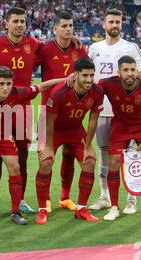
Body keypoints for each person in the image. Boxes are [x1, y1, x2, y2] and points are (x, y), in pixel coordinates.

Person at [0, 66, 67, 225]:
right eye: (1, 83)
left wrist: (66, 79)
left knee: (15, 166)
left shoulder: (18, 92)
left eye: (8, 83)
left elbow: (42, 86)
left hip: (2, 133)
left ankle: (15, 211)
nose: (5, 87)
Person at [88, 9, 141, 214]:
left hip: (127, 113)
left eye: (118, 22)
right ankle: (104, 196)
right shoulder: (94, 48)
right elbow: (89, 77)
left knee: (132, 155)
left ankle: (132, 198)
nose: (115, 25)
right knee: (105, 155)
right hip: (102, 110)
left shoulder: (130, 48)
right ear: (103, 24)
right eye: (111, 21)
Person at [0, 7, 43, 216]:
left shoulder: (33, 44)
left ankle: (20, 200)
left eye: (22, 21)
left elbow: (53, 50)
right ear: (6, 24)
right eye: (15, 21)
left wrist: (72, 39)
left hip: (23, 108)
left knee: (23, 156)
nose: (19, 25)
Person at [36, 58, 103, 224]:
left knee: (89, 161)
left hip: (74, 128)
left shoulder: (97, 92)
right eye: (85, 75)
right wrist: (49, 147)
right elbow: (49, 120)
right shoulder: (60, 91)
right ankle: (42, 209)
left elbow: (93, 120)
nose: (88, 79)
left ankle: (81, 209)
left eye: (91, 75)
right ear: (75, 75)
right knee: (46, 162)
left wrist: (88, 147)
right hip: (50, 128)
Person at [98, 56, 141, 221]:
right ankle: (114, 207)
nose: (130, 74)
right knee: (113, 161)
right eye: (126, 70)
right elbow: (90, 88)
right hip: (120, 126)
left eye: (133, 70)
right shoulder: (107, 83)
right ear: (118, 72)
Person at [35, 11, 88, 213]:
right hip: (46, 113)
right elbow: (27, 63)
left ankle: (65, 198)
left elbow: (88, 69)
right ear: (55, 28)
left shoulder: (78, 49)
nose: (68, 29)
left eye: (71, 26)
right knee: (45, 159)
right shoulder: (46, 49)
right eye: (64, 26)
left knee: (70, 154)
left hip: (73, 113)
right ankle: (45, 199)